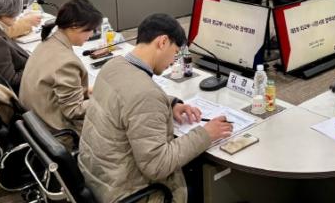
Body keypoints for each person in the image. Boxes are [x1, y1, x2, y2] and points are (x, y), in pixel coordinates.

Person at [78, 14, 232, 203]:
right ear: (163, 42)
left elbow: (128, 96)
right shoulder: (146, 94)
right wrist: (206, 134)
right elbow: (157, 165)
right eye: (175, 52)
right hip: (126, 193)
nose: (173, 61)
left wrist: (170, 104)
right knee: (202, 185)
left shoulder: (113, 65)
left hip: (97, 177)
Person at [19, 0, 103, 135]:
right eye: (90, 29)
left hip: (37, 124)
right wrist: (105, 99)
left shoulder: (47, 42)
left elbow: (57, 88)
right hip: (58, 133)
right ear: (74, 26)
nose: (92, 34)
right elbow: (74, 110)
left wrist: (86, 91)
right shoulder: (67, 62)